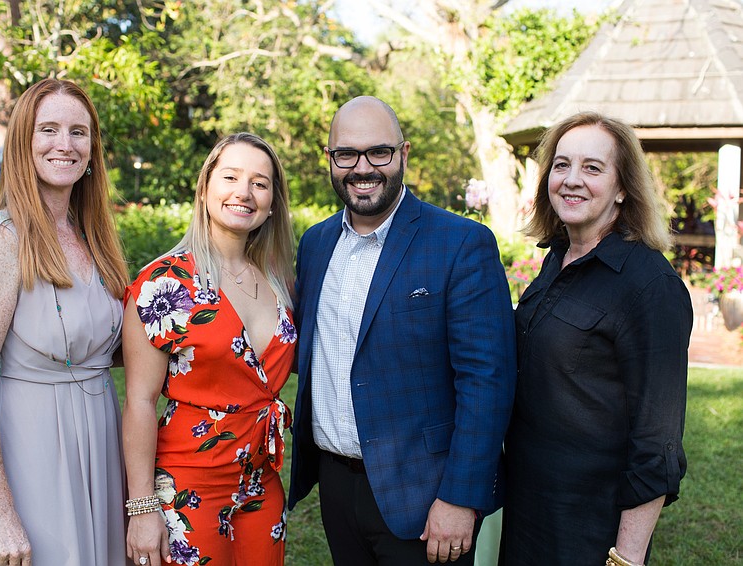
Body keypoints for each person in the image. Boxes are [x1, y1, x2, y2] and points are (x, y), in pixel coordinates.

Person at [287, 95, 517, 565]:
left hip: (425, 497)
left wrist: (460, 498)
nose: (363, 168)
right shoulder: (315, 244)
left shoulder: (461, 243)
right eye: (346, 154)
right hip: (335, 484)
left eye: (379, 152)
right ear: (330, 159)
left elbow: (486, 381)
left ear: (404, 154)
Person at [0, 78, 130, 565]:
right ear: (23, 141)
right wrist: (0, 513)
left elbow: (109, 344)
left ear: (92, 147)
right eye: (48, 129)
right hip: (31, 450)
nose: (65, 145)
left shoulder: (94, 238)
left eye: (79, 132)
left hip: (101, 438)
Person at [498, 112, 692, 566]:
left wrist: (624, 558)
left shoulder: (649, 287)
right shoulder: (557, 260)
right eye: (561, 165)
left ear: (623, 187)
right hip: (528, 515)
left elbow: (657, 446)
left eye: (592, 168)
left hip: (590, 532)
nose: (571, 180)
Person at [122, 132, 297, 566]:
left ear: (273, 201)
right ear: (205, 189)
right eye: (231, 176)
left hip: (262, 481)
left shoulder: (279, 282)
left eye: (260, 182)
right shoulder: (164, 284)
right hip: (187, 482)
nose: (244, 192)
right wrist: (142, 509)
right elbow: (140, 402)